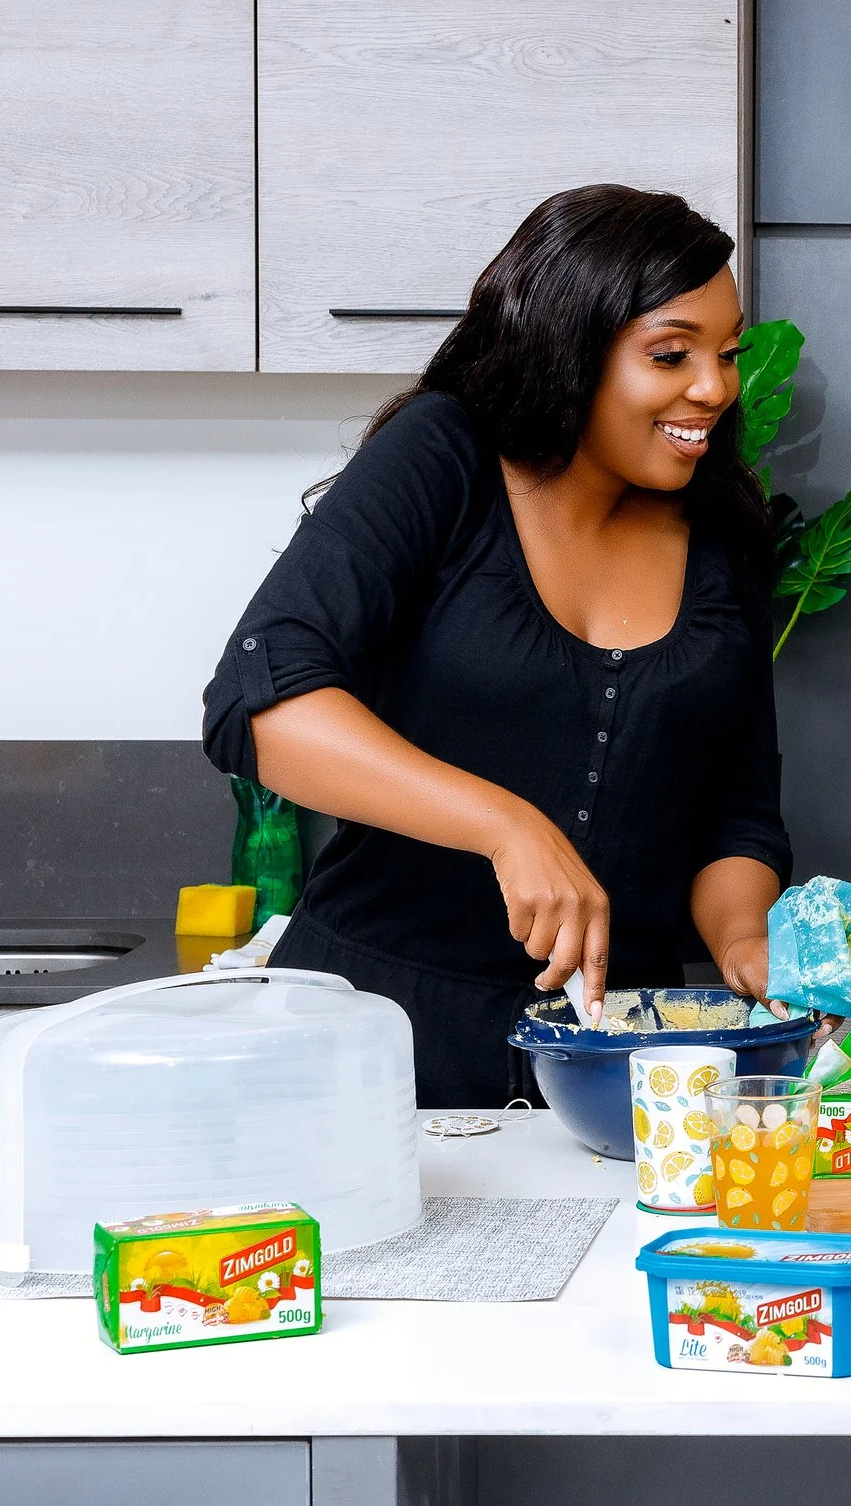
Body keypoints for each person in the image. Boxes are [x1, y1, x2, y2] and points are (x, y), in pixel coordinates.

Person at [202, 186, 790, 1107]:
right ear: (572, 347)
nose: (715, 387)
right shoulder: (445, 457)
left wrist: (744, 941)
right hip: (373, 1050)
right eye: (671, 354)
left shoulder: (724, 529)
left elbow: (736, 812)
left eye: (726, 353)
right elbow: (260, 702)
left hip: (617, 1071)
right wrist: (506, 827)